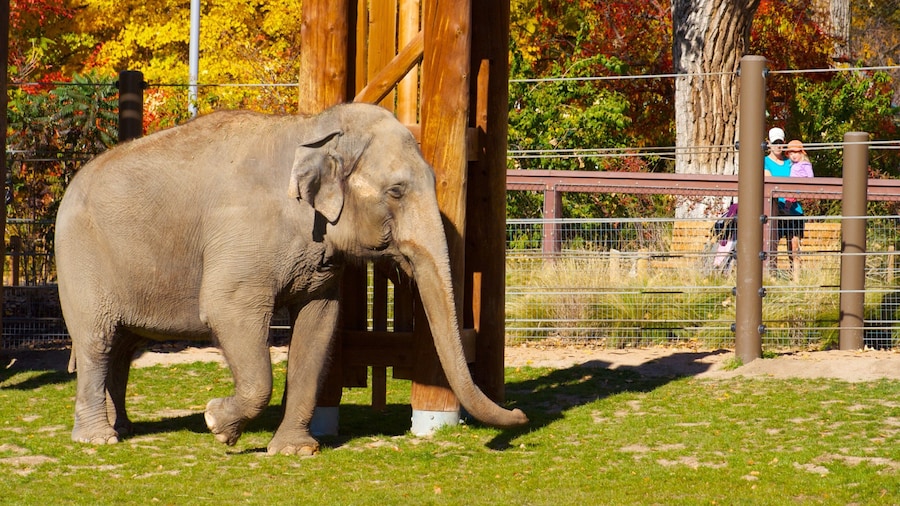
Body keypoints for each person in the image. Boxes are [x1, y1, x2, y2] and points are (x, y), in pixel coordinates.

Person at [780, 139, 815, 272]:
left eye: (796, 152)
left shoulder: (805, 164)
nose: (794, 155)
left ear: (802, 153)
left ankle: (796, 274)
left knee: (794, 244)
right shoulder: (790, 164)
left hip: (797, 188)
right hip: (791, 190)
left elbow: (810, 178)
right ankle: (786, 208)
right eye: (791, 153)